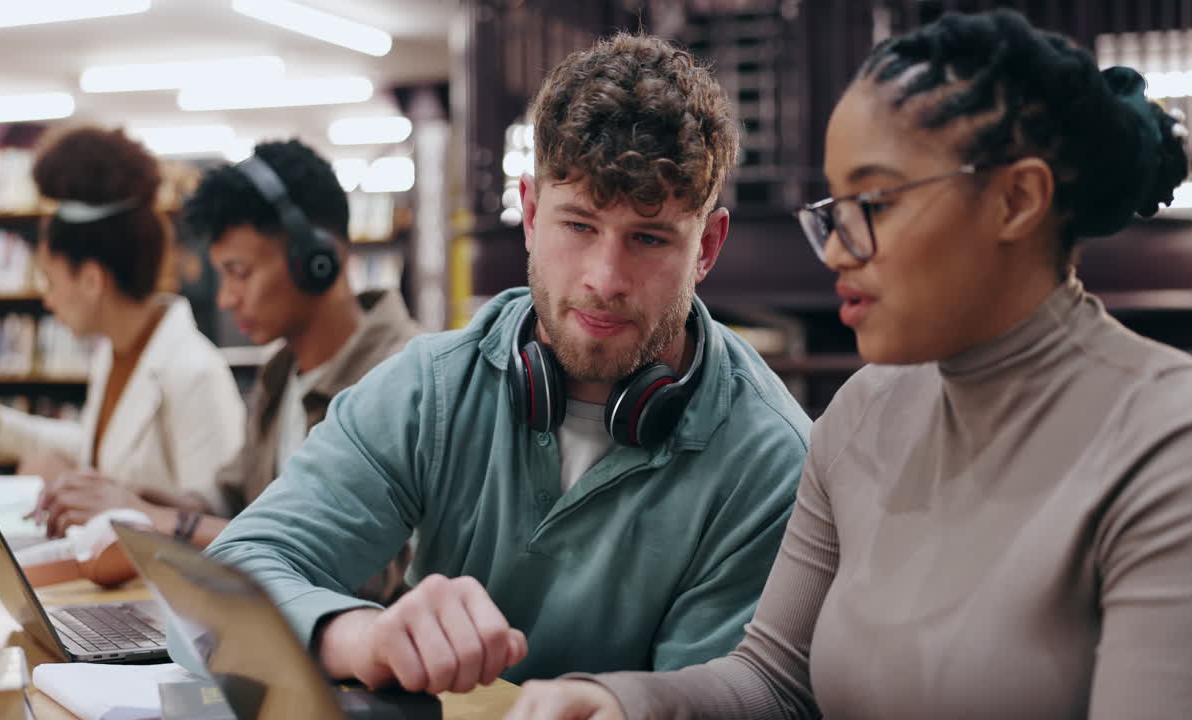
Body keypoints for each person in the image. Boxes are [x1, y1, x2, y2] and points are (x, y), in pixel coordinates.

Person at [505, 9, 1192, 720]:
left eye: (874, 204)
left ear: (1016, 202)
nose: (839, 248)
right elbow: (773, 679)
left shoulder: (1180, 443)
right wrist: (615, 701)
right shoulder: (860, 416)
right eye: (834, 211)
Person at [169, 32, 811, 693]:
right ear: (530, 214)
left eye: (648, 239)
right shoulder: (432, 389)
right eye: (579, 225)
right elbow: (218, 596)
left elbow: (725, 699)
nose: (604, 278)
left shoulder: (770, 460)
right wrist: (359, 637)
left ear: (706, 246)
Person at [34, 139, 420, 602]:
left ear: (317, 259)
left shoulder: (404, 375)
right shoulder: (282, 373)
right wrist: (127, 499)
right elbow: (231, 499)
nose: (225, 298)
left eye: (239, 272)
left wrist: (164, 523)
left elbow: (358, 569)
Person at [0, 126, 245, 534]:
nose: (48, 299)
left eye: (50, 279)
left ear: (92, 280)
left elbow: (220, 525)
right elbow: (104, 452)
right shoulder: (116, 353)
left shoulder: (193, 372)